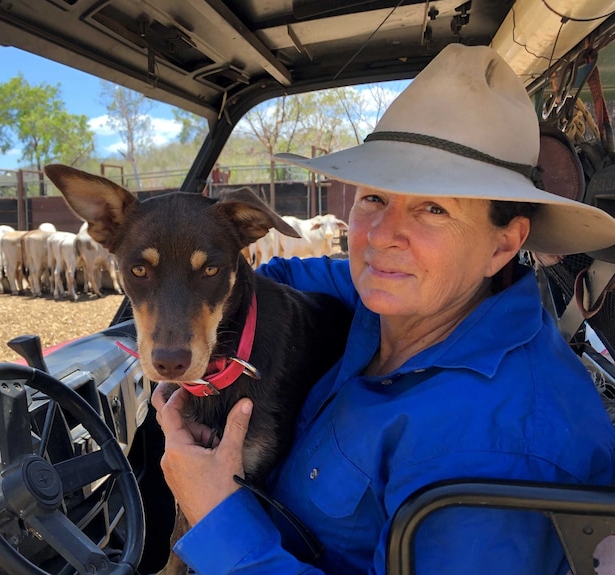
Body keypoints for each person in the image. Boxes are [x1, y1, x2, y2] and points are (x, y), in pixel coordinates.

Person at [150, 43, 615, 574]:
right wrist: (209, 350)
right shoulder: (400, 301)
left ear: (503, 245)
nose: (382, 236)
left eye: (433, 209)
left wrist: (215, 515)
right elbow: (275, 279)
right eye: (373, 197)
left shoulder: (494, 446)